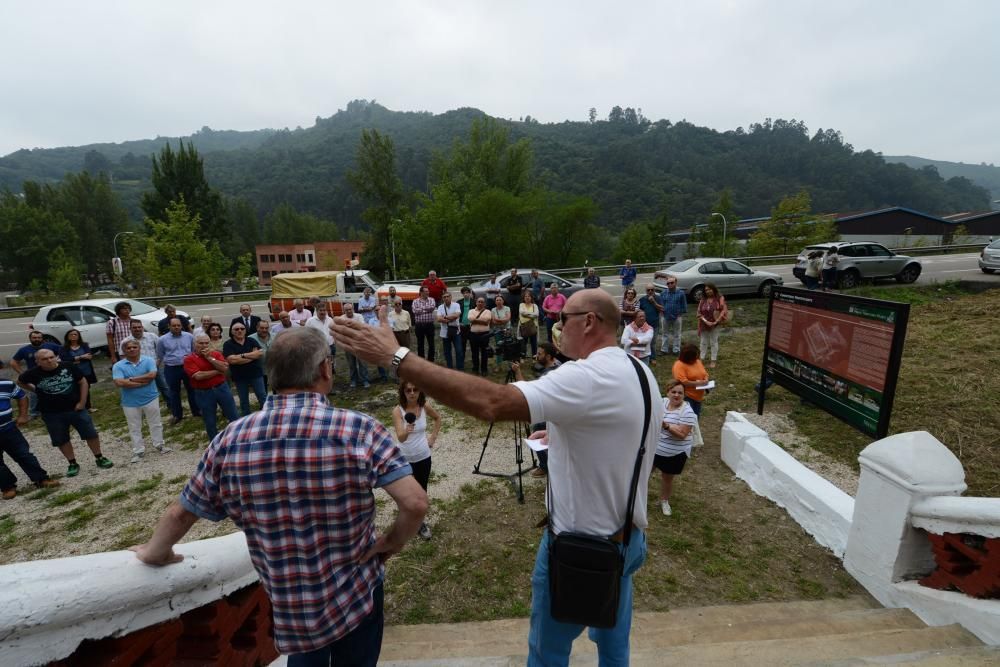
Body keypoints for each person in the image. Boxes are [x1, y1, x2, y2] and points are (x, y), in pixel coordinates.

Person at [331, 288, 661, 666]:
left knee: (546, 654)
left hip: (578, 551)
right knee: (614, 645)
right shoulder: (637, 370)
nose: (555, 326)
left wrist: (398, 357)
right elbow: (622, 431)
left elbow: (491, 403)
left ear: (588, 322)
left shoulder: (587, 377)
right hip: (627, 540)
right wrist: (561, 434)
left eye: (562, 319)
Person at [132, 327, 428, 666]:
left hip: (292, 607)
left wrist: (156, 553)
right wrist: (392, 541)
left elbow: (180, 514)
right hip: (355, 593)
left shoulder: (231, 439)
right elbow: (415, 503)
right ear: (325, 369)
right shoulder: (358, 429)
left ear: (269, 374)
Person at [17, 348, 113, 477]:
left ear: (56, 357)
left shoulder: (68, 366)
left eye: (51, 357)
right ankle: (72, 463)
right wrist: (35, 389)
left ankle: (99, 457)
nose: (49, 361)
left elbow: (83, 382)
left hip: (75, 408)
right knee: (61, 439)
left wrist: (82, 402)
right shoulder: (33, 373)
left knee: (90, 433)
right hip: (51, 413)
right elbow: (20, 381)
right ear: (37, 361)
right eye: (44, 359)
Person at [392, 381, 441, 540]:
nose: (412, 393)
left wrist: (432, 438)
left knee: (421, 492)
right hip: (404, 459)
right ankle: (406, 519)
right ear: (403, 392)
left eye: (415, 389)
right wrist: (407, 430)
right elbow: (400, 437)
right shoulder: (397, 411)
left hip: (423, 457)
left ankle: (419, 523)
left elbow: (437, 418)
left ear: (420, 391)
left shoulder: (424, 406)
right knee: (406, 493)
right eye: (408, 390)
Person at [113, 340, 171, 464]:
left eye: (135, 347)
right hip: (130, 402)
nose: (132, 349)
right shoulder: (118, 365)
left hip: (150, 397)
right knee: (134, 427)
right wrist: (141, 383)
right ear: (124, 350)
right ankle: (138, 451)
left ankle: (159, 445)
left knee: (156, 423)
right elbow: (118, 382)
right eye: (129, 348)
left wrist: (130, 380)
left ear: (139, 348)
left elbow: (152, 375)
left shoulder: (148, 360)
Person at [1, 376, 58, 499]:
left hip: (8, 428)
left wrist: (23, 415)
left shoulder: (6, 383)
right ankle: (7, 487)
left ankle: (41, 479)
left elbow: (21, 396)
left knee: (24, 454)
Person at [511, 342, 560, 479]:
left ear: (549, 356)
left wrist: (517, 372)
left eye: (540, 354)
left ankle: (544, 466)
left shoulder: (548, 374)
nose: (536, 356)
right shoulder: (558, 365)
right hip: (558, 409)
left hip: (550, 412)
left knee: (538, 428)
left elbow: (528, 392)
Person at [184, 334, 240, 442]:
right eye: (201, 343)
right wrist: (217, 371)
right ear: (195, 344)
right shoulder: (189, 359)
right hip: (204, 392)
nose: (204, 346)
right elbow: (198, 376)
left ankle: (238, 439)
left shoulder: (215, 354)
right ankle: (214, 444)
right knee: (210, 421)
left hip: (221, 388)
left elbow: (224, 367)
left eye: (206, 343)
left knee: (233, 415)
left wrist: (210, 358)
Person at [655, 380, 697, 516]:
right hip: (655, 449)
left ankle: (664, 501)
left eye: (680, 393)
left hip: (674, 453)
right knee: (643, 474)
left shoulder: (687, 412)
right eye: (673, 392)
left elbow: (682, 435)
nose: (676, 395)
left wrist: (666, 426)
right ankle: (637, 499)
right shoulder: (662, 403)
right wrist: (673, 427)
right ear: (667, 392)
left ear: (684, 395)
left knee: (667, 478)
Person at [156, 318, 200, 426]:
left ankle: (196, 411)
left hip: (187, 367)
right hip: (171, 368)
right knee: (174, 392)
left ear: (181, 326)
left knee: (192, 390)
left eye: (178, 325)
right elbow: (160, 354)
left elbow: (193, 350)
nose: (176, 327)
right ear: (169, 327)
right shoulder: (162, 340)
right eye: (174, 325)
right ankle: (177, 415)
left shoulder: (189, 336)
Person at [10, 332, 62, 418]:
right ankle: (34, 413)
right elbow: (13, 362)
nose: (37, 339)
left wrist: (57, 360)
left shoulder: (51, 346)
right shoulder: (24, 350)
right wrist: (22, 373)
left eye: (39, 337)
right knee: (34, 394)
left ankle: (55, 408)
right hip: (35, 376)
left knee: (54, 391)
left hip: (51, 373)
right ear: (30, 338)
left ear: (42, 338)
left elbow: (64, 351)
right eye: (34, 338)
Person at [120, 320, 170, 401]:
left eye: (139, 327)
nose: (137, 329)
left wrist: (157, 363)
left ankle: (171, 406)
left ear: (142, 327)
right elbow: (122, 356)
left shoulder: (152, 336)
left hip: (156, 367)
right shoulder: (125, 341)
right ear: (130, 329)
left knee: (165, 387)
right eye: (134, 327)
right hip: (137, 370)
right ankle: (144, 405)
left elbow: (161, 350)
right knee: (141, 388)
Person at [223, 322, 266, 416]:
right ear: (232, 331)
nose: (239, 331)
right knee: (243, 400)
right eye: (236, 329)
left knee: (262, 396)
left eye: (242, 329)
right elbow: (231, 360)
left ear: (245, 330)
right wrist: (251, 356)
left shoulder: (251, 340)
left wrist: (240, 356)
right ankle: (246, 418)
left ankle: (266, 415)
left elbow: (259, 354)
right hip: (239, 377)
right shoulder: (228, 344)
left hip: (256, 374)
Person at [59, 329, 97, 412]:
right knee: (74, 389)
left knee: (86, 388)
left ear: (78, 336)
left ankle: (88, 407)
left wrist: (74, 359)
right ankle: (76, 405)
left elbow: (89, 356)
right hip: (72, 372)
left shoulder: (84, 345)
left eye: (75, 334)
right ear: (67, 337)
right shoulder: (64, 348)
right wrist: (81, 357)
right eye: (71, 335)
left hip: (86, 370)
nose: (73, 336)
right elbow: (65, 359)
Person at [696, 283, 728, 369]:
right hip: (704, 324)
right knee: (703, 342)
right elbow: (698, 313)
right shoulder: (703, 300)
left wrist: (716, 321)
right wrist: (706, 321)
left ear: (713, 289)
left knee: (714, 342)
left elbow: (723, 311)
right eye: (706, 290)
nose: (708, 291)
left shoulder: (720, 299)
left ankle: (713, 360)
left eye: (709, 289)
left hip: (715, 324)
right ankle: (701, 359)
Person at [672, 344, 709, 416]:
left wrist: (706, 379)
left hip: (698, 396)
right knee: (687, 417)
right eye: (695, 356)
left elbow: (704, 373)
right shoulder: (679, 365)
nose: (697, 358)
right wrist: (700, 383)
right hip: (687, 396)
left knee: (695, 417)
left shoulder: (697, 361)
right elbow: (683, 382)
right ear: (688, 357)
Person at [341, 303, 371, 388]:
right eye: (347, 310)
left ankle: (365, 380)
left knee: (362, 363)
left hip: (359, 343)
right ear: (344, 310)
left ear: (353, 309)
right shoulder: (341, 318)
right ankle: (354, 380)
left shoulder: (359, 316)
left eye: (350, 309)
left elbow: (361, 327)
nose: (349, 311)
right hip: (348, 344)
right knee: (351, 364)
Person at [659, 275, 687, 356]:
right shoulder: (663, 293)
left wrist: (679, 313)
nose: (670, 284)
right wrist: (662, 313)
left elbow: (684, 305)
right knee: (665, 334)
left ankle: (676, 350)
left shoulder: (681, 293)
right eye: (668, 283)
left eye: (672, 283)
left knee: (677, 334)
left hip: (677, 317)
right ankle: (664, 349)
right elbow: (661, 304)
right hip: (665, 317)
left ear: (676, 283)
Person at [467, 297, 493, 377]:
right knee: (474, 353)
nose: (480, 303)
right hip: (473, 335)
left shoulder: (488, 311)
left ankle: (484, 370)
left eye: (482, 302)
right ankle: (475, 369)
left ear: (484, 304)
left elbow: (488, 319)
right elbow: (470, 319)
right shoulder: (471, 311)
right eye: (479, 302)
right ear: (476, 303)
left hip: (485, 335)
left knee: (484, 353)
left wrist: (475, 320)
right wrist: (483, 321)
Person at [436, 292, 463, 370]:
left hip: (456, 331)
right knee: (447, 352)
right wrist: (451, 318)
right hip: (445, 333)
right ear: (442, 298)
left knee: (459, 351)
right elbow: (438, 319)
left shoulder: (456, 305)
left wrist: (444, 317)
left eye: (448, 296)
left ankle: (460, 368)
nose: (446, 298)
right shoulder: (440, 307)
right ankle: (449, 368)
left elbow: (457, 315)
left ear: (451, 297)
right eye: (444, 297)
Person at [637, 285, 663, 362]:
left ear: (654, 290)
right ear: (646, 291)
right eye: (648, 290)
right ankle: (641, 356)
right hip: (644, 325)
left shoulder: (658, 298)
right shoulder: (642, 299)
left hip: (655, 324)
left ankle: (652, 357)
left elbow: (662, 308)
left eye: (652, 290)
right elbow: (638, 311)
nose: (650, 291)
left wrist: (654, 302)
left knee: (653, 342)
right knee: (642, 340)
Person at [412, 286, 437, 363]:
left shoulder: (432, 299)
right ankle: (421, 361)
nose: (427, 292)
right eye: (426, 291)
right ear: (421, 292)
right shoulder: (415, 301)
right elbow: (415, 311)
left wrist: (421, 310)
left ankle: (431, 360)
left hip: (429, 325)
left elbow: (432, 308)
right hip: (419, 325)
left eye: (428, 291)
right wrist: (426, 309)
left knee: (431, 344)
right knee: (420, 344)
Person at [489, 295, 512, 371]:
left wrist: (498, 320)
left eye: (500, 300)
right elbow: (493, 321)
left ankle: (510, 365)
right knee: (499, 347)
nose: (498, 301)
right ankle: (499, 365)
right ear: (495, 302)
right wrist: (503, 320)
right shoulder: (493, 309)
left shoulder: (507, 308)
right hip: (497, 331)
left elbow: (508, 319)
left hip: (507, 330)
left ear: (503, 301)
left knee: (508, 346)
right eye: (497, 300)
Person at [457, 286, 476, 365]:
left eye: (467, 293)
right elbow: (456, 314)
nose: (466, 294)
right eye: (464, 293)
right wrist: (459, 322)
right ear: (462, 294)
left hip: (472, 326)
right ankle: (462, 361)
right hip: (462, 326)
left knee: (473, 345)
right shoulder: (459, 302)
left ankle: (475, 361)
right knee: (462, 345)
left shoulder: (474, 302)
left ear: (470, 293)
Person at [519, 291, 540, 356]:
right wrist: (532, 315)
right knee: (523, 343)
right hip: (524, 326)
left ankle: (534, 357)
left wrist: (526, 314)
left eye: (529, 296)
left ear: (531, 297)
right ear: (524, 298)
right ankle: (523, 357)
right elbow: (522, 312)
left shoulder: (535, 305)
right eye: (526, 296)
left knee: (534, 343)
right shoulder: (521, 305)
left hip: (533, 326)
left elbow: (536, 314)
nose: (527, 297)